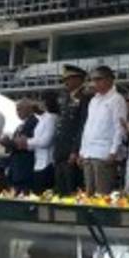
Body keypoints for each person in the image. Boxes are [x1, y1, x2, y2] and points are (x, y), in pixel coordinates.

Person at [79, 66, 125, 194]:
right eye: (93, 80)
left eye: (98, 79)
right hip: (89, 152)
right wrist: (82, 151)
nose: (95, 83)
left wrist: (113, 151)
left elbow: (119, 127)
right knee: (89, 193)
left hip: (104, 153)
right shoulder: (93, 100)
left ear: (110, 79)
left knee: (102, 194)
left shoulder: (117, 99)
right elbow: (88, 127)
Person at [54, 65, 90, 194]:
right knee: (61, 189)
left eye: (68, 79)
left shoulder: (85, 98)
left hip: (72, 151)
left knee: (73, 189)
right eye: (64, 79)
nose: (65, 82)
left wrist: (75, 150)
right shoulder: (65, 97)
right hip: (61, 151)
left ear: (78, 79)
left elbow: (82, 126)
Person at [3, 98, 39, 194]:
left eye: (20, 109)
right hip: (16, 168)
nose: (18, 112)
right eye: (17, 110)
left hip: (25, 167)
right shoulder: (20, 125)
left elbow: (27, 143)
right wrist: (7, 142)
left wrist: (11, 142)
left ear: (29, 109)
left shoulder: (34, 122)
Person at [27, 94, 59, 193]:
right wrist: (27, 144)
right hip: (38, 162)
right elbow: (37, 139)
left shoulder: (52, 118)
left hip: (47, 163)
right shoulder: (43, 118)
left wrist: (27, 141)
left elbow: (46, 141)